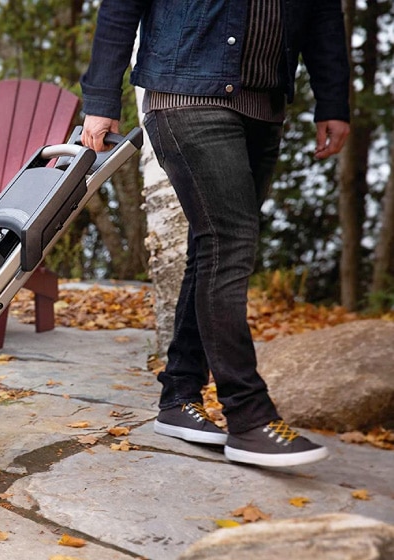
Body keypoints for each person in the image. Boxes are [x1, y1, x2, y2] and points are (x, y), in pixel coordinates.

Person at [80, 0, 350, 467]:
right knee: (229, 243)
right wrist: (102, 99)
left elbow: (323, 14)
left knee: (213, 247)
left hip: (265, 107)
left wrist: (333, 100)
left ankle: (179, 397)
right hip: (185, 95)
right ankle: (248, 417)